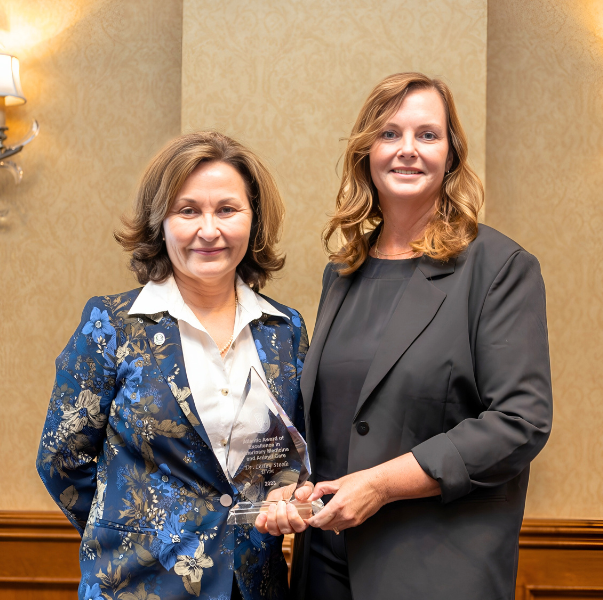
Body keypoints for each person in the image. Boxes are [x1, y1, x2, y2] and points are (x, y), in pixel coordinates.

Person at [255, 72, 553, 599]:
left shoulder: (499, 268)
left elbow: (520, 422)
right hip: (323, 565)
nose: (407, 150)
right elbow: (329, 420)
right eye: (390, 134)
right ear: (366, 152)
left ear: (452, 154)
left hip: (435, 571)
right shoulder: (343, 273)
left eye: (427, 135)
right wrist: (290, 489)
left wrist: (380, 484)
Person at [37, 131, 309, 600]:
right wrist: (136, 532)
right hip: (138, 586)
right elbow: (63, 459)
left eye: (227, 209)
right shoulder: (112, 325)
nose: (209, 230)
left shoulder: (283, 330)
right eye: (188, 211)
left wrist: (285, 498)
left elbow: (289, 454)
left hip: (253, 587)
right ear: (160, 222)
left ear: (253, 220)